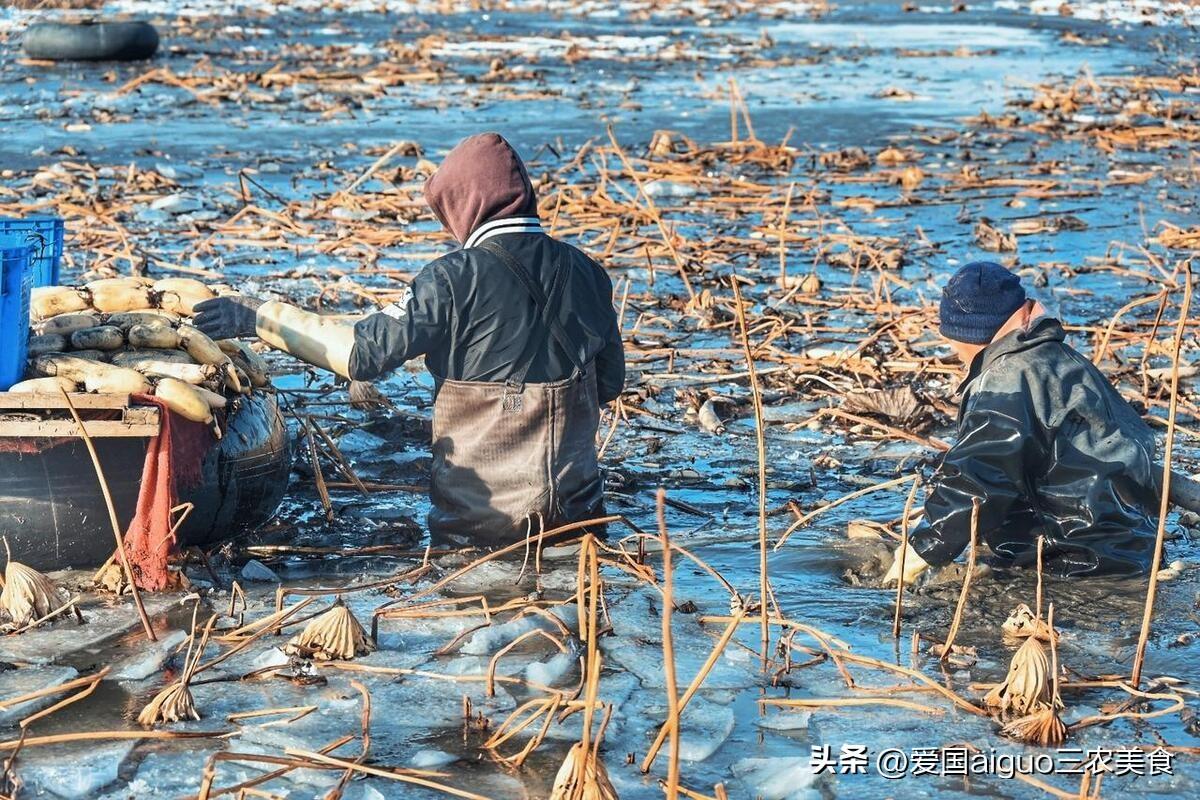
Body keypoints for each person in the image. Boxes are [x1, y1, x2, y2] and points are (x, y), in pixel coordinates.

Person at [194, 132, 624, 545]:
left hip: (481, 529)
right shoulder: (588, 271)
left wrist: (259, 316)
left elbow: (363, 354)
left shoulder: (453, 277)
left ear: (463, 203)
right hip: (580, 520)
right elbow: (609, 384)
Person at [885, 261, 1160, 583]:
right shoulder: (1064, 359)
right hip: (1133, 550)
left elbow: (982, 473)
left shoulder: (1008, 376)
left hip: (1072, 564)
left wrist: (922, 549)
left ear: (968, 333)